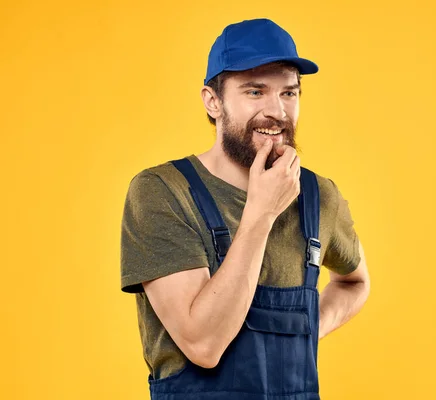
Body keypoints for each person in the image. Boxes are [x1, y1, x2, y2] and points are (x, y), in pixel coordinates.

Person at [120, 18, 370, 399]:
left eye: (289, 93)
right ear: (213, 101)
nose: (278, 112)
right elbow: (202, 345)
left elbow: (356, 282)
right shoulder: (162, 193)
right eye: (255, 92)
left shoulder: (318, 196)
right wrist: (262, 213)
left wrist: (302, 330)